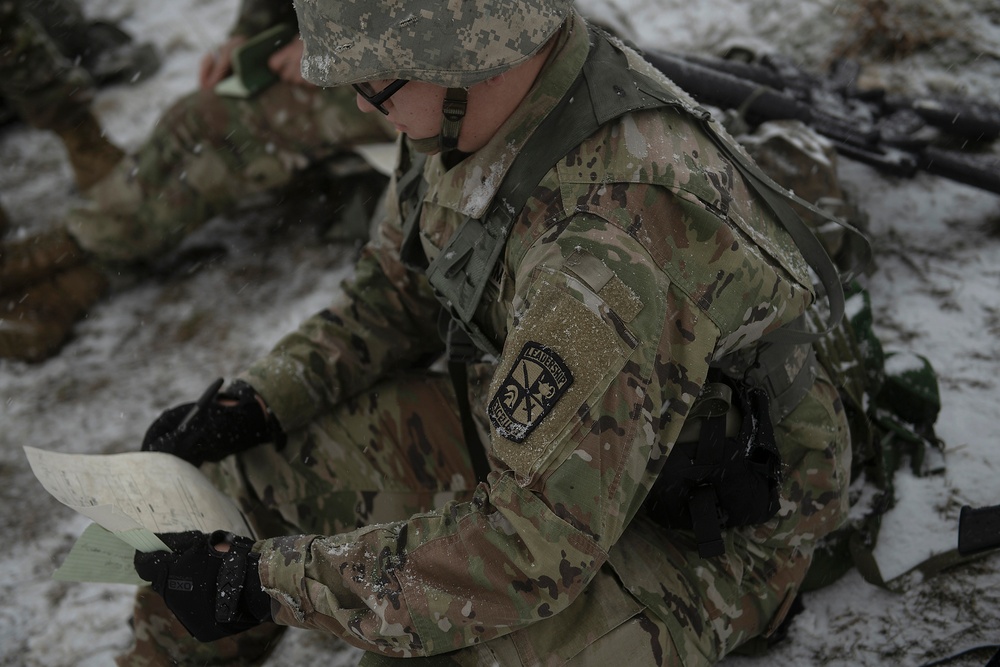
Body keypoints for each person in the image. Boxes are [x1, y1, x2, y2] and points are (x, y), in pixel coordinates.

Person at [120, 0, 854, 665]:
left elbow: (528, 549)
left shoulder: (602, 243)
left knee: (428, 650)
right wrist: (255, 403)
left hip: (705, 530)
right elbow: (391, 298)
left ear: (460, 58)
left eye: (374, 86)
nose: (361, 106)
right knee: (234, 484)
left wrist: (267, 582)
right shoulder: (474, 111)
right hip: (564, 452)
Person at [0, 0, 396, 363]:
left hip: (413, 79)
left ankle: (70, 260)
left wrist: (343, 40)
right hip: (350, 53)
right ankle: (78, 268)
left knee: (211, 133)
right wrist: (247, 35)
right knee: (191, 121)